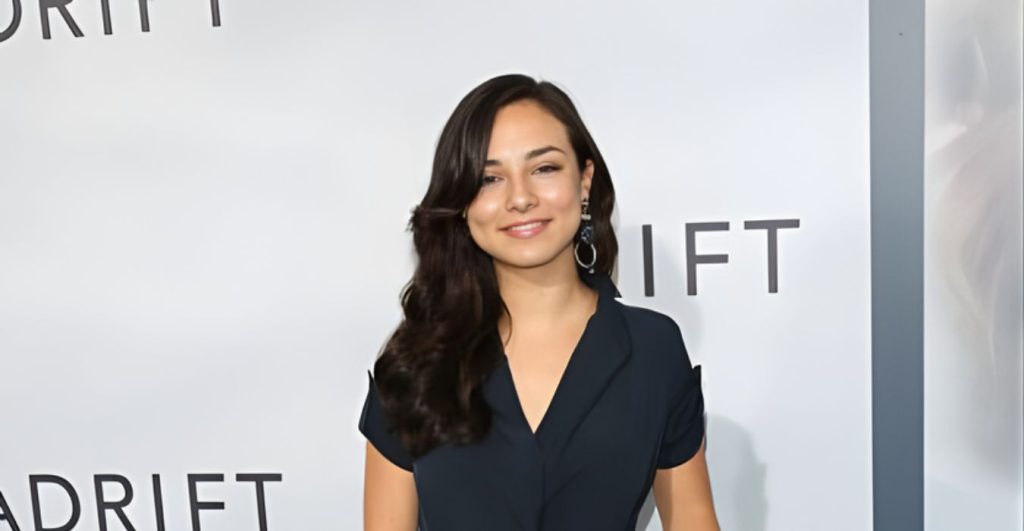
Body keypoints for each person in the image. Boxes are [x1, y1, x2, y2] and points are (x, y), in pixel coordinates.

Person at [359, 73, 719, 530]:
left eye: (544, 168)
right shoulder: (416, 360)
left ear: (584, 180)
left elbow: (692, 519)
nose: (520, 198)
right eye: (489, 178)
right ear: (462, 202)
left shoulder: (653, 349)